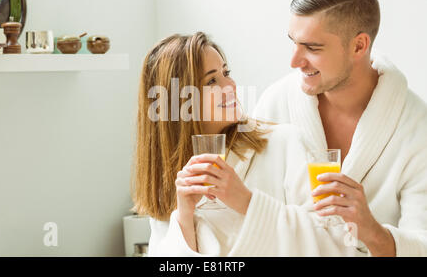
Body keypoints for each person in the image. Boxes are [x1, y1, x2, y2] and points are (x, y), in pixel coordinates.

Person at [132, 32, 366, 257]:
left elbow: (335, 244)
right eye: (212, 80)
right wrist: (184, 215)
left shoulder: (286, 143)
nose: (230, 85)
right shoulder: (170, 182)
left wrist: (247, 202)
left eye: (226, 72)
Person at [254, 0, 427, 256]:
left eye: (312, 47)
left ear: (359, 46)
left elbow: (422, 244)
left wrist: (370, 229)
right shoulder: (275, 104)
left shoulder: (416, 127)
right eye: (293, 42)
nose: (294, 61)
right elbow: (249, 221)